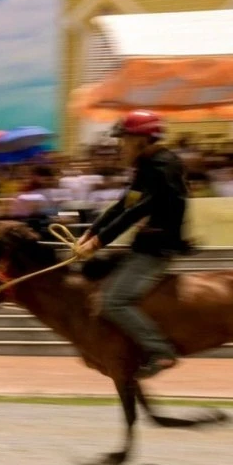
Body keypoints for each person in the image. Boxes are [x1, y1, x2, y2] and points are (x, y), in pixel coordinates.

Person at [78, 109, 190, 379]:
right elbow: (124, 204)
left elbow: (137, 211)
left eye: (124, 140)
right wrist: (91, 231)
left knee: (112, 301)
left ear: (141, 140)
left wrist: (99, 242)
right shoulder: (147, 167)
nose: (120, 146)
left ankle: (160, 351)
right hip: (145, 245)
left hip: (158, 249)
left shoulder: (164, 167)